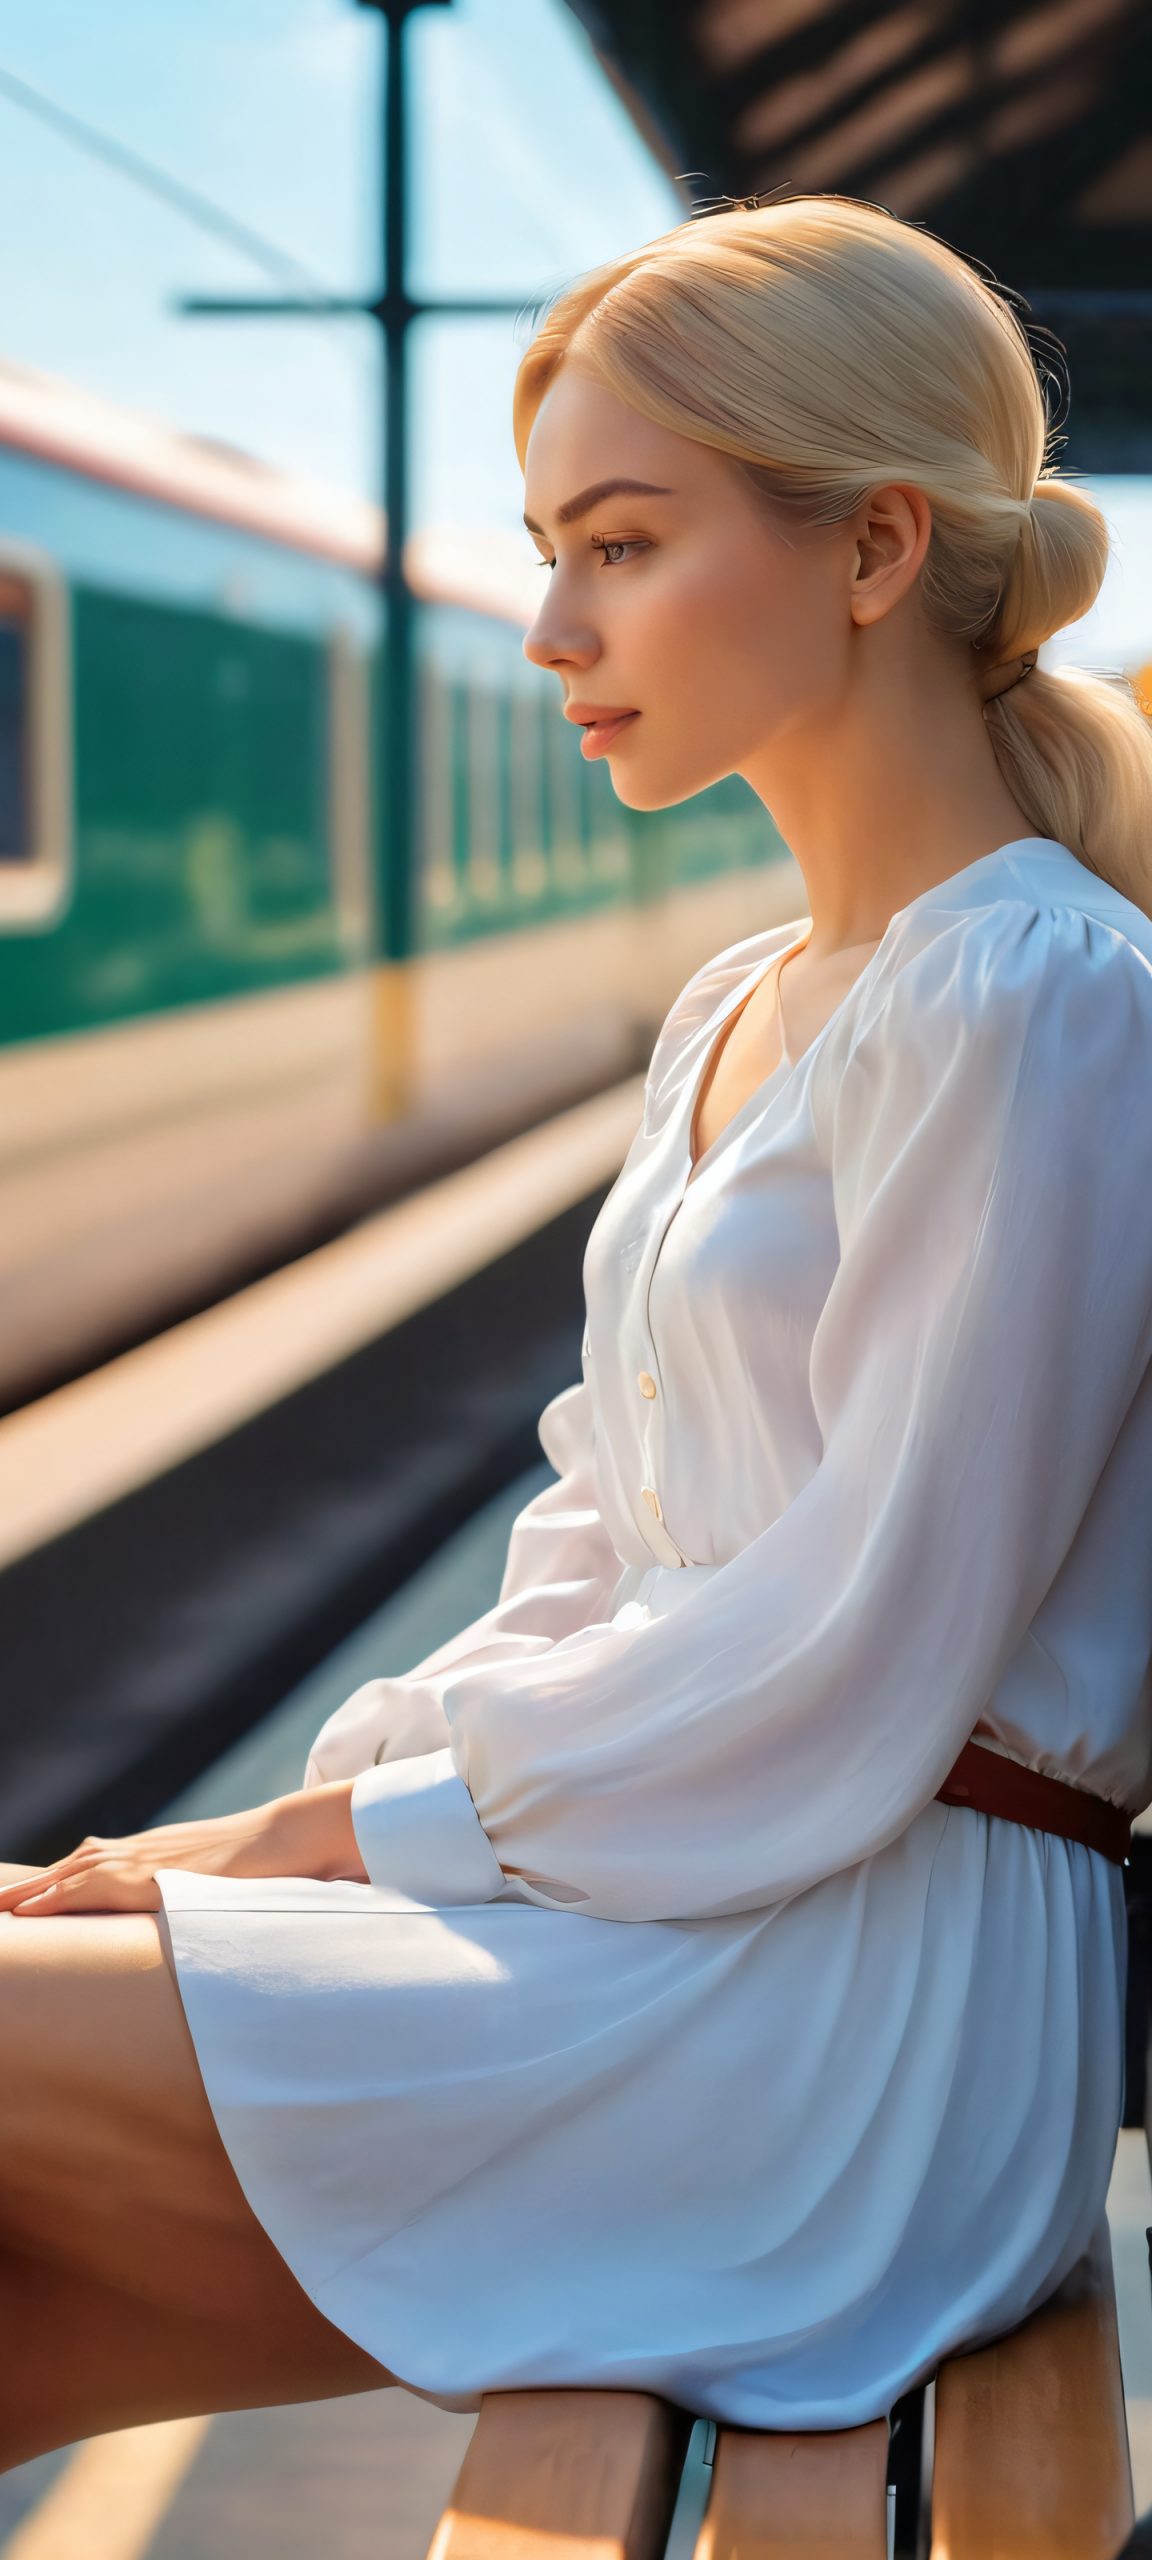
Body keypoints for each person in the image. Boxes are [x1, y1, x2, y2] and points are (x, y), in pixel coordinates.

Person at [4, 190, 1152, 2475]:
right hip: (708, 1912)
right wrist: (318, 1802)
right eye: (549, 548)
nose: (550, 627)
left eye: (620, 544)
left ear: (873, 547)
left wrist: (306, 1840)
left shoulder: (1042, 996)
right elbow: (599, 1536)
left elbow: (852, 1650)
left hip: (877, 1993)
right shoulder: (745, 1005)